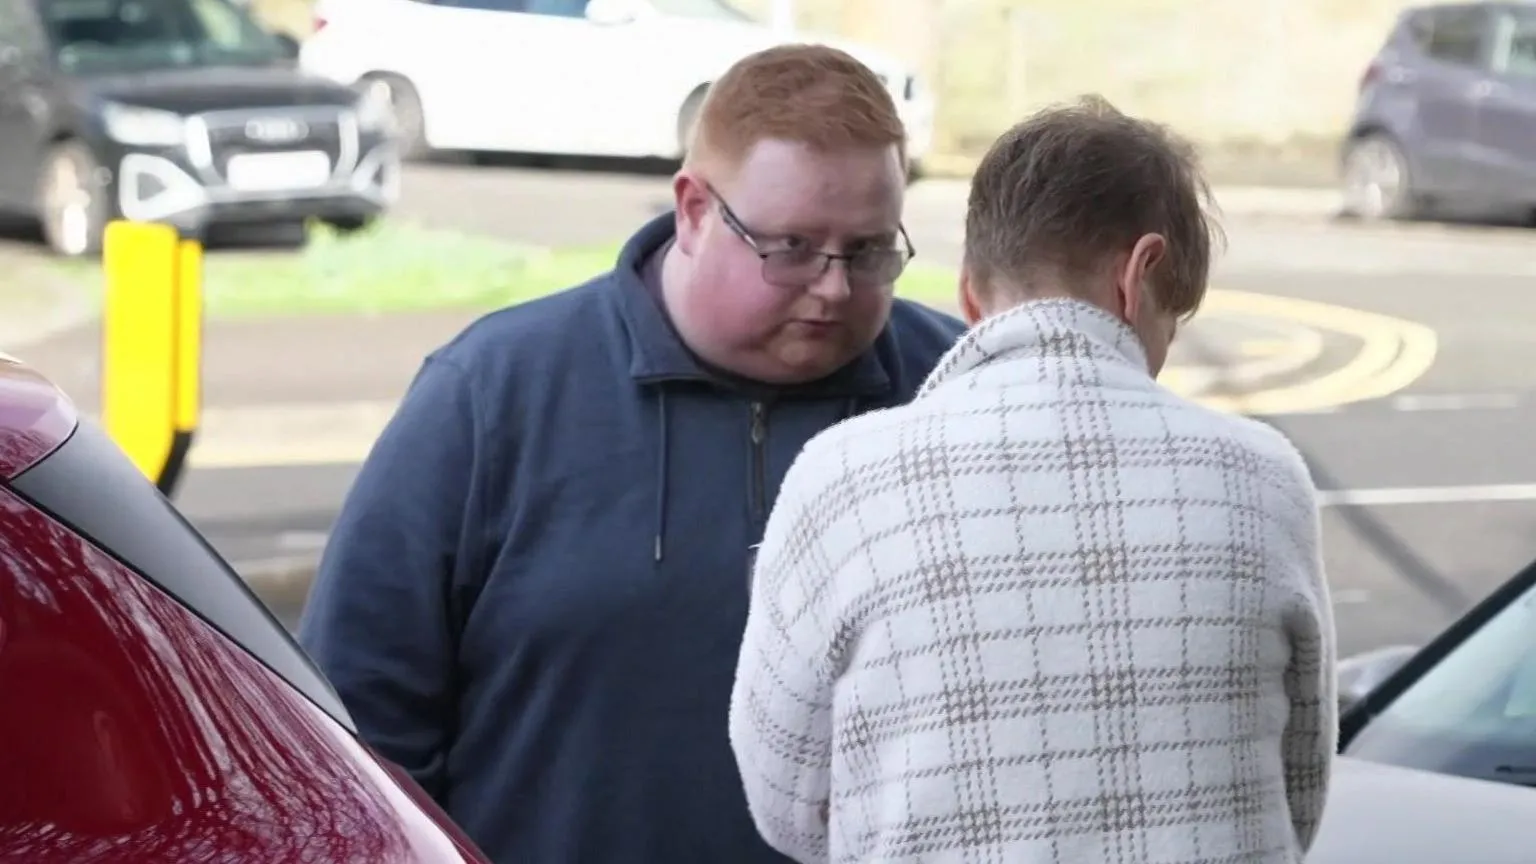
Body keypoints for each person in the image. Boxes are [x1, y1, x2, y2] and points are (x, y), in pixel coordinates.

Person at [297, 44, 965, 863]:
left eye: (867, 253)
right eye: (791, 247)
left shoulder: (957, 397)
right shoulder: (493, 393)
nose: (832, 287)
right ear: (692, 210)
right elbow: (353, 719)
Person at [729, 96, 1337, 864]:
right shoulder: (1263, 476)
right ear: (1139, 274)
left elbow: (788, 804)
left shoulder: (840, 479)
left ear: (971, 295)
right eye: (1169, 321)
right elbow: (1300, 787)